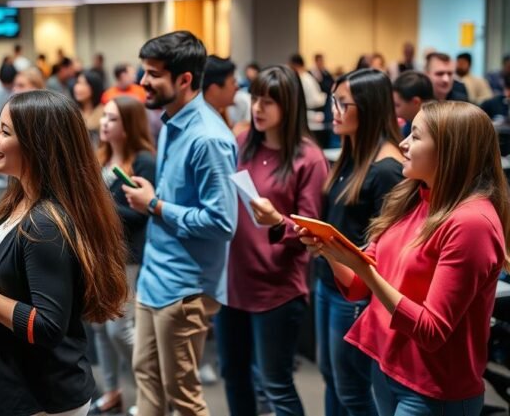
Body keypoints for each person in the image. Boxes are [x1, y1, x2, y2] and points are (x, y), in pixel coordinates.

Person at [301, 101, 510, 416]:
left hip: (434, 389)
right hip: (390, 369)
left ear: (449, 151)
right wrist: (330, 252)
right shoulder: (414, 197)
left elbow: (431, 330)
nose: (402, 144)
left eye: (415, 135)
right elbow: (358, 284)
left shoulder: (471, 223)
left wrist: (364, 271)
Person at [0, 90, 129, 416]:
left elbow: (46, 325)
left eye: (5, 132)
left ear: (38, 145)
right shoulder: (19, 200)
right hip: (8, 378)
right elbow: (1, 269)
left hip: (40, 395)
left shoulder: (46, 223)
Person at [121, 32, 239, 416]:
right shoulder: (172, 122)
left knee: (183, 397)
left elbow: (223, 223)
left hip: (185, 288)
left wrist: (154, 204)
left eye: (153, 74)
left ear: (185, 79)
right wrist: (153, 197)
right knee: (147, 381)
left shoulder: (208, 138)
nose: (143, 81)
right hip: (155, 278)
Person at [215, 66, 330, 416]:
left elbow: (314, 230)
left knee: (275, 384)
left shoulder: (308, 158)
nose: (258, 109)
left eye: (268, 102)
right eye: (255, 100)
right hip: (233, 283)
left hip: (278, 288)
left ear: (289, 105)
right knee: (234, 376)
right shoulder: (240, 145)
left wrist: (278, 221)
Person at [317, 68, 406, 416]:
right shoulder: (351, 154)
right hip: (331, 281)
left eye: (342, 103)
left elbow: (389, 247)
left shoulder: (386, 169)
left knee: (352, 390)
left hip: (356, 291)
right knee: (333, 380)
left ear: (367, 107)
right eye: (333, 101)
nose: (333, 111)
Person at [90, 96, 156, 415]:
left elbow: (141, 215)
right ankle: (113, 390)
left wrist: (97, 207)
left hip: (127, 256)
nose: (104, 123)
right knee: (99, 327)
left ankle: (152, 391)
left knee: (120, 328)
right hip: (99, 254)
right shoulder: (100, 158)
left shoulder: (144, 162)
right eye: (104, 117)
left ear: (128, 124)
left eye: (113, 119)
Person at [203, 55, 250, 134]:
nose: (237, 87)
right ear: (214, 89)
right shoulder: (206, 125)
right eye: (233, 82)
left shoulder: (220, 111)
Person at [392, 72, 434, 137]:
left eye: (397, 105)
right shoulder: (409, 123)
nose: (393, 110)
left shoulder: (434, 129)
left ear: (416, 102)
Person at [73, 70, 105, 146]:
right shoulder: (72, 111)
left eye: (83, 84)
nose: (78, 88)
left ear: (94, 87)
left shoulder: (103, 111)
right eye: (77, 83)